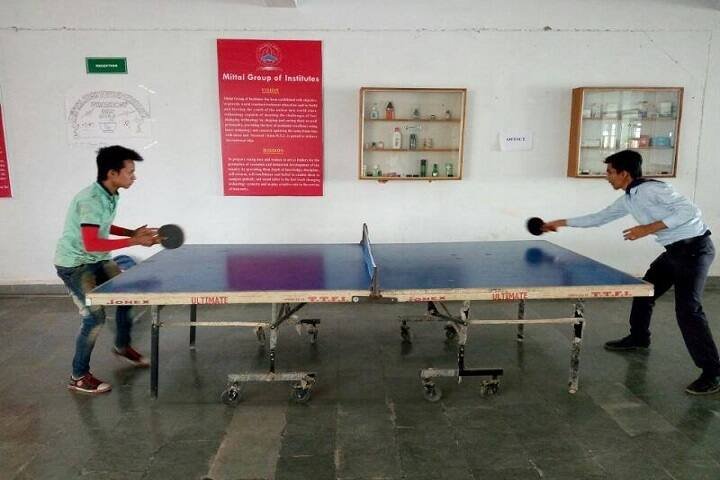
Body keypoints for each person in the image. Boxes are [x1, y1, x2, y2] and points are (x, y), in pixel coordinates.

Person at [542, 149, 719, 395]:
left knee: (688, 309)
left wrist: (647, 228)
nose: (607, 177)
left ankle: (712, 372)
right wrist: (560, 223)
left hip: (694, 250)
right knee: (644, 290)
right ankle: (638, 337)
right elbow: (598, 218)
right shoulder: (629, 198)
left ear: (624, 173)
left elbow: (691, 212)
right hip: (674, 252)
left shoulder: (652, 189)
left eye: (610, 172)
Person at [55, 145, 160, 394]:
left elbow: (103, 225)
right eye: (130, 172)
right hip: (76, 265)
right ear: (112, 173)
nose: (134, 176)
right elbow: (92, 242)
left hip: (98, 259)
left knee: (126, 296)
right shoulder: (90, 200)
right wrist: (134, 241)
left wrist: (131, 232)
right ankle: (78, 376)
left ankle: (122, 346)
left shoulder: (110, 194)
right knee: (94, 318)